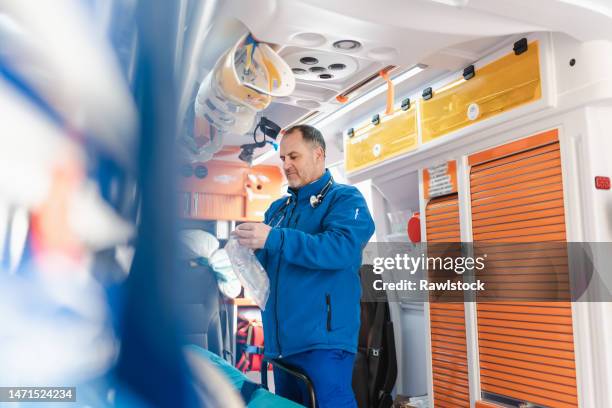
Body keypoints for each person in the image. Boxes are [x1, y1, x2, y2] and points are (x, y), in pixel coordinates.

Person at [234, 124, 375, 408]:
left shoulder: (345, 199)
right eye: (283, 158)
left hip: (323, 343)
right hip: (281, 346)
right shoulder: (279, 210)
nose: (286, 164)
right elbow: (272, 262)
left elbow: (341, 249)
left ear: (318, 154)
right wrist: (248, 251)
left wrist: (274, 238)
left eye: (293, 157)